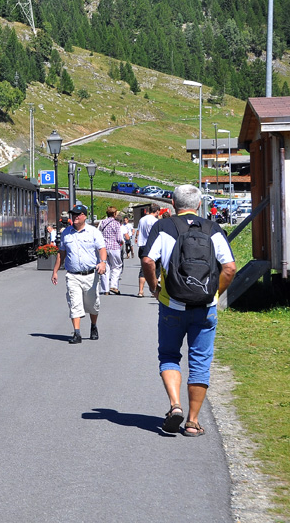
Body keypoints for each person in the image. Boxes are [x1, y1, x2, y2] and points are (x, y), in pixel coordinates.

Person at [141, 185, 236, 437]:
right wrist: (214, 295)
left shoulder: (163, 227)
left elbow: (148, 260)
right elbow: (230, 268)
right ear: (199, 203)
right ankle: (193, 422)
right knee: (200, 362)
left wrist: (153, 287)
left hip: (172, 304)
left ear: (173, 202)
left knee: (170, 355)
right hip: (205, 307)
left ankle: (175, 406)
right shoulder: (213, 229)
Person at [51, 203, 107, 344]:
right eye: (73, 214)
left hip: (90, 275)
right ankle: (77, 333)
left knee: (93, 304)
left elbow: (102, 248)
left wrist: (103, 262)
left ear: (84, 216)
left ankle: (93, 326)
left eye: (77, 214)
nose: (74, 217)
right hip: (73, 275)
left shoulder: (93, 232)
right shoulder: (66, 233)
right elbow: (61, 253)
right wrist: (55, 271)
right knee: (74, 303)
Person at [135, 207, 162, 297]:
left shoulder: (142, 219)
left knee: (143, 269)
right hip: (152, 246)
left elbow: (138, 232)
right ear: (157, 211)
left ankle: (140, 291)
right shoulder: (155, 221)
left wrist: (136, 238)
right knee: (156, 268)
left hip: (142, 245)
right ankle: (154, 290)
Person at [97, 206, 124, 295]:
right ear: (114, 214)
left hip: (104, 248)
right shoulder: (116, 224)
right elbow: (119, 238)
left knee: (105, 266)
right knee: (117, 266)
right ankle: (113, 285)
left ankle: (105, 289)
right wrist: (122, 242)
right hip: (114, 247)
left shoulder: (102, 222)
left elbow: (98, 233)